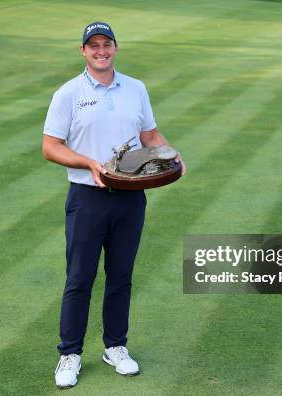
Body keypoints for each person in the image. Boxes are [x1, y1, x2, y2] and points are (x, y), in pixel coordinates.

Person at [42, 21, 185, 389]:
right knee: (80, 279)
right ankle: (69, 354)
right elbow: (50, 146)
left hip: (130, 197)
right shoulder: (68, 93)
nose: (101, 51)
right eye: (94, 46)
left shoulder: (135, 89)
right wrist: (89, 163)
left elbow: (149, 135)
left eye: (107, 44)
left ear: (116, 48)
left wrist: (171, 155)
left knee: (121, 277)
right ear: (83, 51)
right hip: (87, 198)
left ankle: (115, 347)